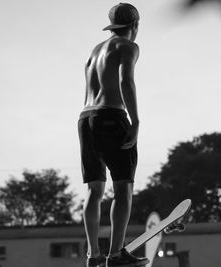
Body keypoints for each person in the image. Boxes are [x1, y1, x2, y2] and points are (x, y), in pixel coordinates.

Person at [78, 3, 149, 267]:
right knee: (123, 188)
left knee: (94, 190)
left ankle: (93, 255)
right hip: (111, 117)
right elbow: (125, 81)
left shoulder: (93, 52)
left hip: (86, 119)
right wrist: (135, 120)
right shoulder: (128, 46)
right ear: (135, 26)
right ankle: (116, 254)